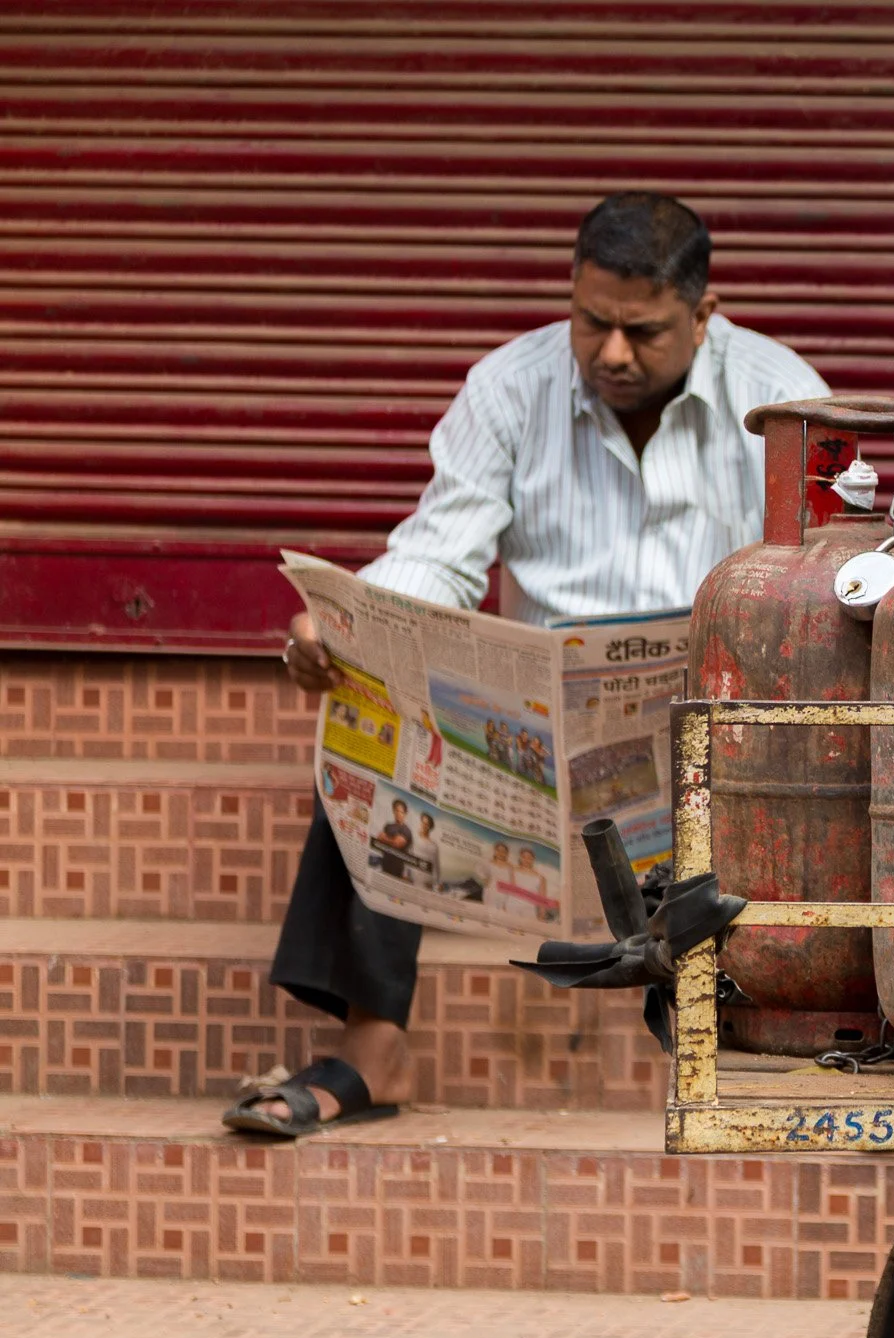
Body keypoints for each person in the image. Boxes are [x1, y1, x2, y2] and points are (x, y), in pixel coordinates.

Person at [227, 192, 832, 1138]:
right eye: (592, 322)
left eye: (644, 331)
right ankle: (371, 1051)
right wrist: (342, 632)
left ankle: (768, 1042)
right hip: (538, 744)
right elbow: (439, 551)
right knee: (375, 715)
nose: (612, 352)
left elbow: (815, 575)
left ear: (704, 317)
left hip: (708, 736)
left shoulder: (781, 394)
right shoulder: (508, 388)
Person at [372, 800, 415, 881]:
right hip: (384, 865)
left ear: (405, 813)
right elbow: (378, 839)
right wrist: (392, 840)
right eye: (396, 810)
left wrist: (385, 838)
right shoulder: (388, 825)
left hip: (398, 870)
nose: (398, 813)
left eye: (401, 812)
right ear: (393, 811)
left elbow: (397, 844)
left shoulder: (406, 830)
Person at [406, 813, 441, 893]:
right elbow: (407, 856)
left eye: (427, 824)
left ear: (430, 827)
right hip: (413, 879)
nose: (424, 826)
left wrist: (435, 884)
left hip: (427, 883)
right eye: (423, 822)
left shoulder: (434, 846)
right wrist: (405, 874)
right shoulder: (414, 838)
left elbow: (436, 867)